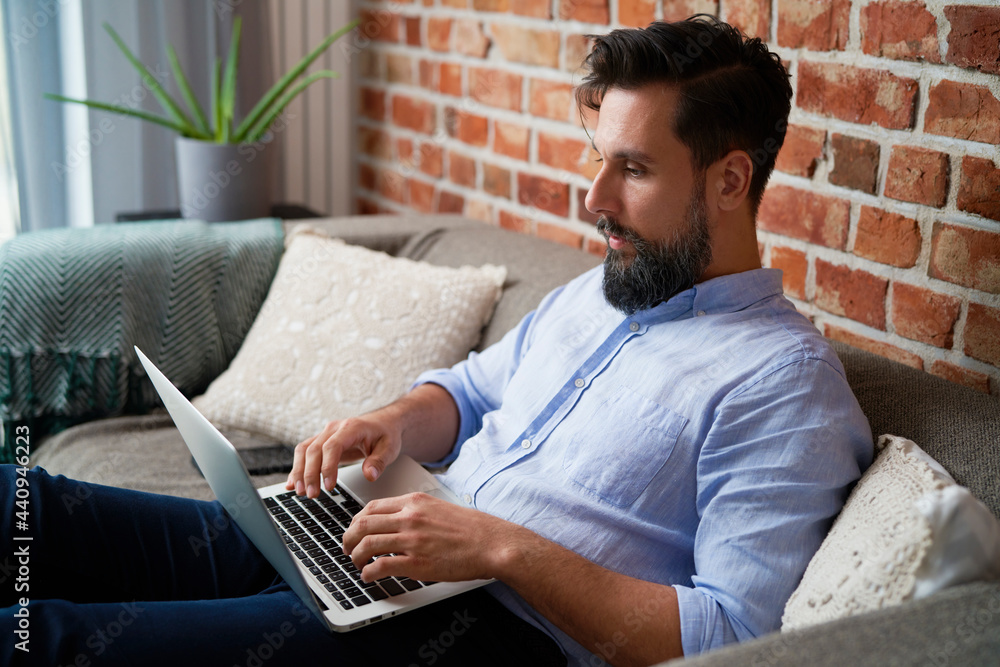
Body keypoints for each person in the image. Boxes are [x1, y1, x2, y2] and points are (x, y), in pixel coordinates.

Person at [1, 16, 872, 667]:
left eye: (634, 169)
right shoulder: (602, 287)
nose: (593, 197)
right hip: (376, 541)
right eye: (597, 157)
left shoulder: (784, 385)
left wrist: (497, 546)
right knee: (30, 504)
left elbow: (737, 635)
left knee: (45, 638)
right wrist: (393, 419)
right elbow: (473, 394)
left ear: (730, 179)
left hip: (478, 632)